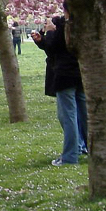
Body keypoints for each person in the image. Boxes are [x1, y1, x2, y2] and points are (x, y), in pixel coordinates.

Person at [32, 10, 88, 166]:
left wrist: (49, 33)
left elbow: (54, 49)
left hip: (65, 74)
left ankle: (71, 155)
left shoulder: (64, 26)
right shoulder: (84, 25)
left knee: (68, 116)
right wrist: (42, 40)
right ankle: (90, 148)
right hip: (81, 73)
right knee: (83, 115)